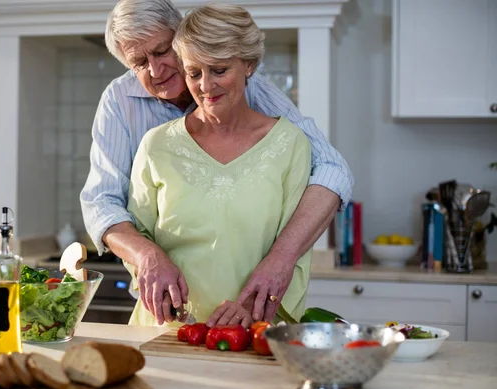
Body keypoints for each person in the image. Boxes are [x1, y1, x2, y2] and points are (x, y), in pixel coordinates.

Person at [80, 0, 354, 326]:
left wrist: (280, 261)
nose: (155, 70)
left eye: (162, 51)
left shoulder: (269, 111)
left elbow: (332, 168)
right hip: (168, 322)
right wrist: (148, 256)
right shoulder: (130, 115)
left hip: (252, 322)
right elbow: (102, 203)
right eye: (138, 62)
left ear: (181, 40)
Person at [123, 2, 312, 327]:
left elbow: (293, 253)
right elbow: (138, 237)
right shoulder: (157, 144)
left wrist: (251, 311)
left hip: (252, 331)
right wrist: (152, 276)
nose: (205, 87)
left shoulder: (289, 144)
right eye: (194, 73)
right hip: (164, 330)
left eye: (220, 70)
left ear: (249, 64)